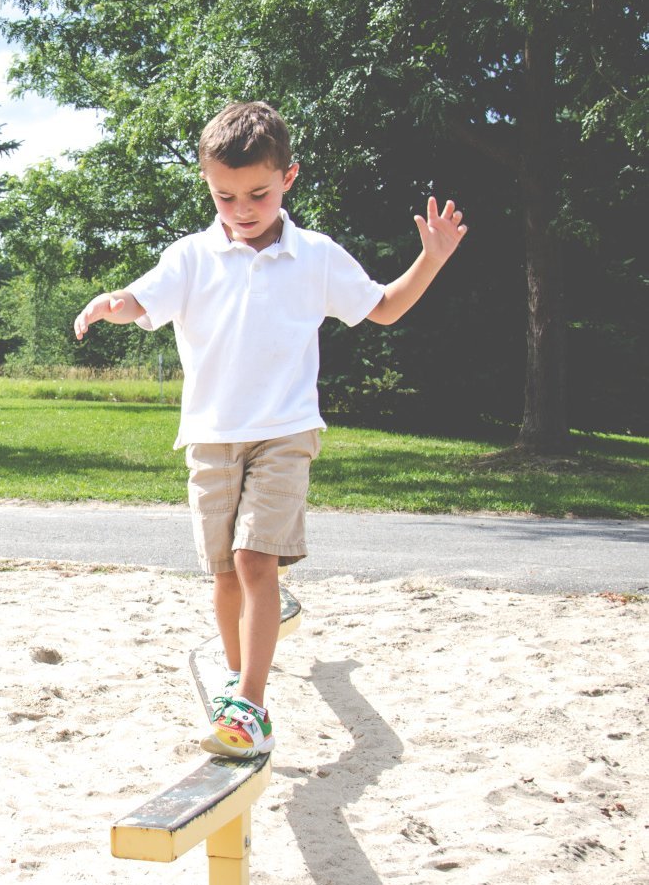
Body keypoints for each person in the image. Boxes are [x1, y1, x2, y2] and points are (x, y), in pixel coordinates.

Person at [73, 101, 467, 759]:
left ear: (289, 177)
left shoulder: (313, 257)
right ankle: (238, 681)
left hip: (285, 431)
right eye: (225, 195)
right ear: (206, 182)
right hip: (209, 436)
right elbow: (145, 298)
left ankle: (252, 706)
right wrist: (113, 304)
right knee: (227, 573)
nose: (242, 207)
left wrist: (431, 259)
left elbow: (386, 307)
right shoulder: (192, 256)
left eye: (258, 192)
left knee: (258, 561)